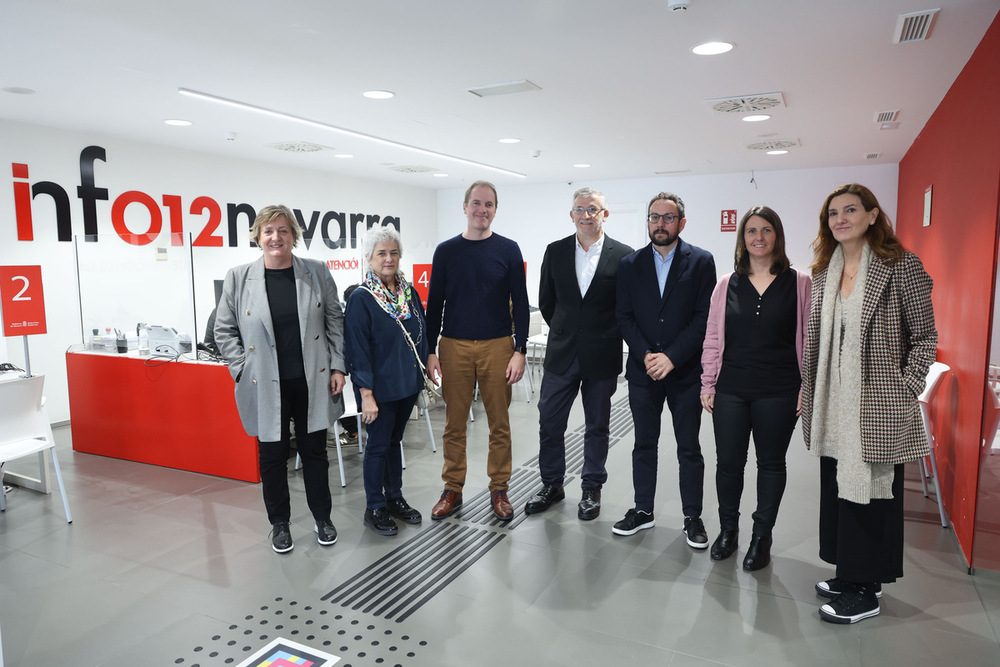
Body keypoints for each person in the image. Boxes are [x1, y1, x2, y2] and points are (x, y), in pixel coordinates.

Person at [801, 183, 936, 624]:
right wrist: (808, 390)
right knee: (838, 490)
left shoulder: (901, 267)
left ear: (873, 215)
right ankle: (851, 572)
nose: (840, 219)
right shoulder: (826, 270)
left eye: (850, 210)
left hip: (876, 403)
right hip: (831, 402)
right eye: (833, 213)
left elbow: (925, 338)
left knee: (870, 496)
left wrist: (904, 390)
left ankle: (864, 592)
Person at [215, 204, 345, 554]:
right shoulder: (239, 277)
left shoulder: (315, 272)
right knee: (271, 456)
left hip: (311, 380)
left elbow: (335, 321)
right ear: (258, 236)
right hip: (264, 383)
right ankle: (280, 524)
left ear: (294, 236)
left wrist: (337, 366)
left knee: (314, 453)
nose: (276, 237)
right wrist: (241, 368)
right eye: (269, 231)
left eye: (283, 231)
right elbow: (223, 330)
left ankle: (323, 518)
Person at [700, 206, 811, 571]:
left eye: (766, 230)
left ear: (777, 235)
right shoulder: (725, 284)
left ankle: (761, 537)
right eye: (751, 231)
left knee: (771, 464)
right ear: (742, 237)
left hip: (780, 390)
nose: (758, 238)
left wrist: (805, 387)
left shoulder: (800, 283)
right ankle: (728, 530)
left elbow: (810, 341)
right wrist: (708, 382)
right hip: (731, 387)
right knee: (729, 464)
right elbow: (713, 338)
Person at [525, 187, 633, 520]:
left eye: (593, 209)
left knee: (597, 427)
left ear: (605, 214)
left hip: (601, 355)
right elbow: (547, 301)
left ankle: (591, 488)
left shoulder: (624, 256)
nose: (586, 214)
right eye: (580, 209)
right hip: (562, 354)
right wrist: (565, 328)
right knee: (550, 422)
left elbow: (626, 307)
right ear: (571, 214)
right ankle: (552, 485)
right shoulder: (555, 251)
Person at [614, 192, 715, 547]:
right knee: (644, 443)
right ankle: (643, 510)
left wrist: (671, 357)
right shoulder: (629, 264)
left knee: (689, 447)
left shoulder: (701, 261)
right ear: (647, 222)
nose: (660, 224)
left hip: (685, 372)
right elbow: (624, 316)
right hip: (643, 372)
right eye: (654, 217)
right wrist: (646, 355)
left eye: (668, 218)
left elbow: (704, 318)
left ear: (681, 223)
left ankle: (693, 517)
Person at [425, 180, 530, 521]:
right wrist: (430, 350)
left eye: (488, 204)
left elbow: (523, 303)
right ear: (465, 207)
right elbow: (434, 304)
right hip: (453, 346)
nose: (481, 210)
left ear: (495, 210)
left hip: (498, 346)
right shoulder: (446, 251)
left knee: (499, 424)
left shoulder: (509, 250)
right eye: (476, 203)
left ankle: (499, 489)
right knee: (454, 424)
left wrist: (521, 350)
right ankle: (452, 489)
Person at [344, 225, 426, 536]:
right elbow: (357, 349)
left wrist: (428, 359)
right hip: (378, 388)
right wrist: (366, 393)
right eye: (381, 253)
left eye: (393, 252)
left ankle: (394, 498)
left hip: (406, 383)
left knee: (394, 442)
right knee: (378, 446)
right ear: (369, 258)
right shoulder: (362, 299)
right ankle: (374, 506)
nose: (388, 258)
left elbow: (421, 329)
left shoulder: (407, 291)